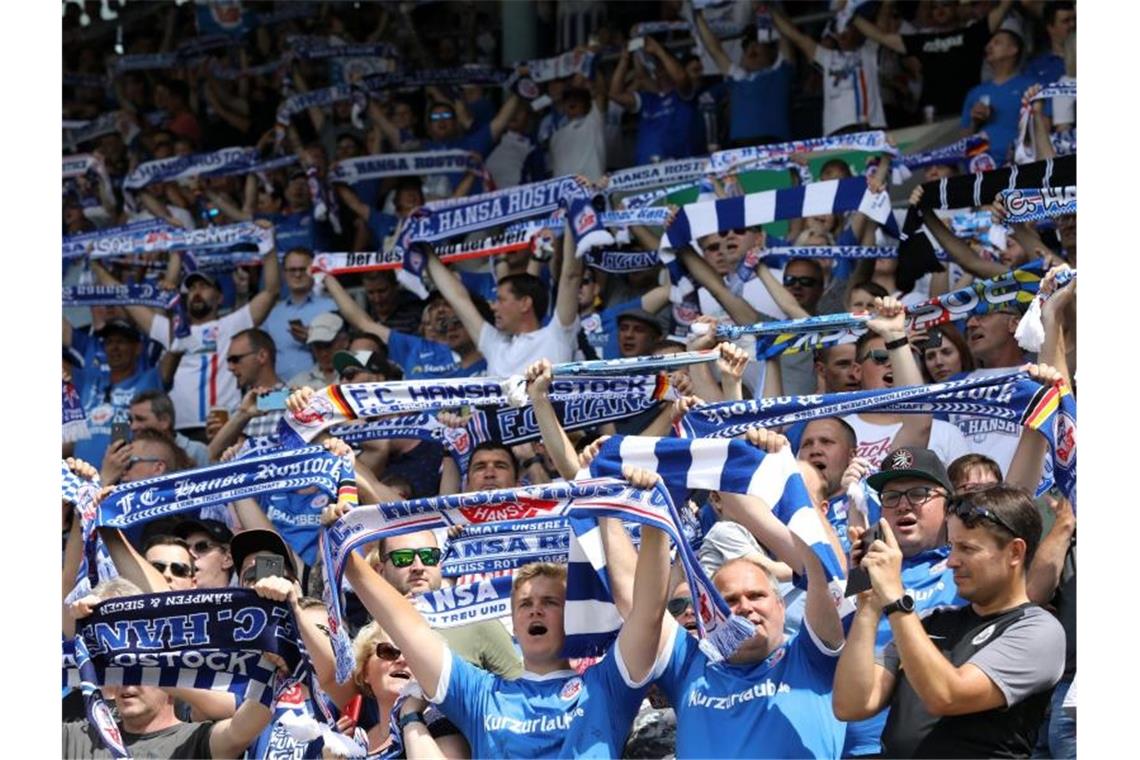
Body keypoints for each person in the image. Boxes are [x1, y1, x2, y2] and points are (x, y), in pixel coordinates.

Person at [320, 467, 674, 757]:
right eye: (525, 604)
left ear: (571, 616)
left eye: (550, 602)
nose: (535, 610)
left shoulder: (607, 683)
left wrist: (651, 522)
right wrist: (347, 554)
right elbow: (408, 626)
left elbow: (647, 614)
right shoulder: (480, 694)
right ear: (514, 624)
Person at [833, 484, 1065, 758]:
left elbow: (947, 695)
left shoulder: (1039, 630)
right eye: (952, 546)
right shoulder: (931, 622)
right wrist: (868, 607)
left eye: (967, 548)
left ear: (1015, 552)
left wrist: (896, 596)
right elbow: (852, 704)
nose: (952, 561)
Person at [63, 578, 277, 759]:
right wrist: (85, 621)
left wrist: (277, 648)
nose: (126, 680)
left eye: (139, 667)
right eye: (118, 667)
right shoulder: (79, 738)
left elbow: (251, 721)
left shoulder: (196, 740)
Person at [424, 227, 582, 377]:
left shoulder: (556, 336)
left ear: (525, 303)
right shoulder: (495, 345)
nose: (493, 306)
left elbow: (571, 276)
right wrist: (423, 249)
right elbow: (457, 298)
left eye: (500, 299)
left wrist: (573, 215)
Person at [366, 529, 522, 679]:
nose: (418, 567)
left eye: (429, 557)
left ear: (440, 565)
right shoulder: (369, 636)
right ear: (380, 571)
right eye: (403, 558)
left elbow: (521, 695)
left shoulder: (476, 621)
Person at [851, 0, 1015, 118]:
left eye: (945, 4)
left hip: (969, 111)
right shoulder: (922, 39)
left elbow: (1001, 9)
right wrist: (851, 16)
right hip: (932, 114)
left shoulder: (972, 33)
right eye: (935, 7)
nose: (940, 10)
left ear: (956, 7)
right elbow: (883, 37)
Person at [771, 4, 886, 136]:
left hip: (868, 128)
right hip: (835, 132)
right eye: (837, 29)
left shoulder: (869, 51)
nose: (841, 31)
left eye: (846, 26)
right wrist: (768, 8)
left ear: (858, 29)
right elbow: (795, 35)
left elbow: (882, 25)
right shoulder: (826, 57)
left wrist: (886, 5)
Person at [692, 8, 794, 144]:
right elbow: (714, 49)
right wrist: (696, 13)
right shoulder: (737, 76)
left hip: (773, 146)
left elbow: (784, 34)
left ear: (772, 52)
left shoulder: (780, 71)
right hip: (739, 149)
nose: (751, 48)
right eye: (746, 47)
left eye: (758, 44)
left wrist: (765, 6)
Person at [70, 318, 162, 466]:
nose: (114, 347)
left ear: (138, 348)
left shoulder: (149, 379)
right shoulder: (88, 380)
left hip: (124, 475)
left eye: (121, 342)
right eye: (109, 342)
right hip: (82, 476)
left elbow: (176, 349)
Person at [261, 247, 338, 380]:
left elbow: (342, 347)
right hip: (279, 392)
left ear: (313, 271)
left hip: (319, 388)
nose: (297, 275)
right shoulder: (272, 313)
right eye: (292, 270)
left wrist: (313, 339)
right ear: (284, 273)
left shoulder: (331, 306)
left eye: (303, 269)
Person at [960, 30, 1036, 164]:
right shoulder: (975, 92)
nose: (988, 47)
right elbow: (963, 141)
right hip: (980, 166)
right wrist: (975, 122)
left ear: (1013, 50)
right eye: (989, 43)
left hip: (1020, 163)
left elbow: (1043, 128)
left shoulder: (1031, 87)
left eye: (997, 43)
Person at [128, 390, 210, 468]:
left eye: (141, 419)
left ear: (164, 421)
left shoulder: (196, 451)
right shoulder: (129, 454)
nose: (133, 427)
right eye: (131, 420)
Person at [287, 312, 348, 390]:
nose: (323, 353)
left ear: (345, 341)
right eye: (317, 347)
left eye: (328, 345)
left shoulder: (358, 376)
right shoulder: (298, 382)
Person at [173, 519, 234, 589]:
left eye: (201, 546)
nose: (190, 555)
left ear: (228, 559)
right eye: (184, 549)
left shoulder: (246, 598)